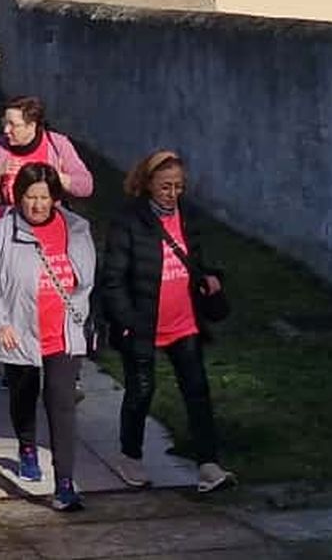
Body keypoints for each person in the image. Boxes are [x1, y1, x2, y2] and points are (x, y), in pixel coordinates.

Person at [98, 150, 236, 494]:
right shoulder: (128, 222)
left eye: (178, 186)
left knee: (197, 391)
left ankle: (208, 464)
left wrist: (208, 278)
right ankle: (130, 456)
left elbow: (196, 258)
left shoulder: (187, 216)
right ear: (147, 184)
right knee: (141, 391)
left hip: (184, 322)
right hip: (143, 324)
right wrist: (126, 321)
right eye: (165, 187)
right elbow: (113, 279)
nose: (172, 193)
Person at [0, 163, 96, 511]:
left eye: (44, 197)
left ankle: (64, 484)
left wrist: (82, 316)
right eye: (31, 197)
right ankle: (26, 445)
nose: (38, 204)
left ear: (55, 198)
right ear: (19, 197)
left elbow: (87, 282)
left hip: (63, 332)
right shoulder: (1, 232)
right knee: (23, 395)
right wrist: (1, 323)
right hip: (20, 331)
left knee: (61, 403)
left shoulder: (77, 229)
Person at [0, 97, 94, 220]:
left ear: (32, 125)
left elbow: (86, 186)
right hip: (11, 220)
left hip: (50, 217)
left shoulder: (58, 145)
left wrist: (56, 177)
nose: (6, 130)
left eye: (13, 125)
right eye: (5, 123)